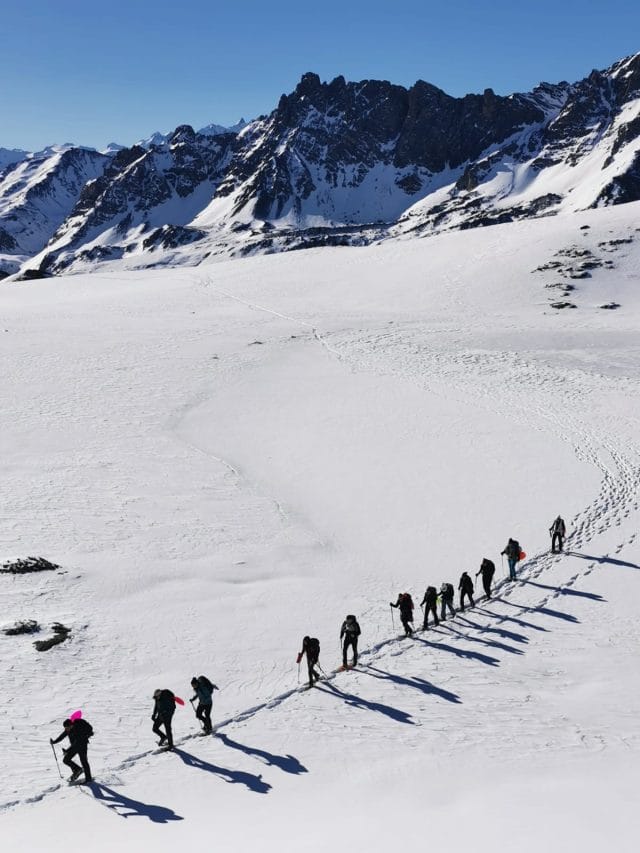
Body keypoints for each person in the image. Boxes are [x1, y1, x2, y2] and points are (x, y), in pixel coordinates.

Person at [50, 717, 93, 783]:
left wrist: (67, 750)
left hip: (82, 745)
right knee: (66, 760)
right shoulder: (68, 729)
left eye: (66, 727)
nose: (65, 729)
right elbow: (62, 736)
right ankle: (77, 770)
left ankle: (88, 779)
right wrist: (54, 742)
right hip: (75, 746)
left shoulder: (78, 730)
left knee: (84, 761)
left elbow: (77, 743)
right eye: (65, 728)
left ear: (71, 725)